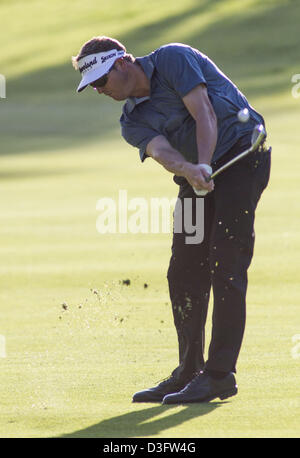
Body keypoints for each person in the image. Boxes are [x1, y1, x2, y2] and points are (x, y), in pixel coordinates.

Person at [72, 36, 271, 404]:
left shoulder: (173, 59)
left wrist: (204, 165)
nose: (100, 90)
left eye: (101, 80)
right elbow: (162, 151)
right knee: (183, 270)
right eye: (93, 86)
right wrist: (190, 170)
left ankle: (219, 374)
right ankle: (189, 371)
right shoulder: (132, 120)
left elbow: (205, 114)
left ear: (122, 63)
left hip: (242, 158)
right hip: (196, 175)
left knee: (226, 264)